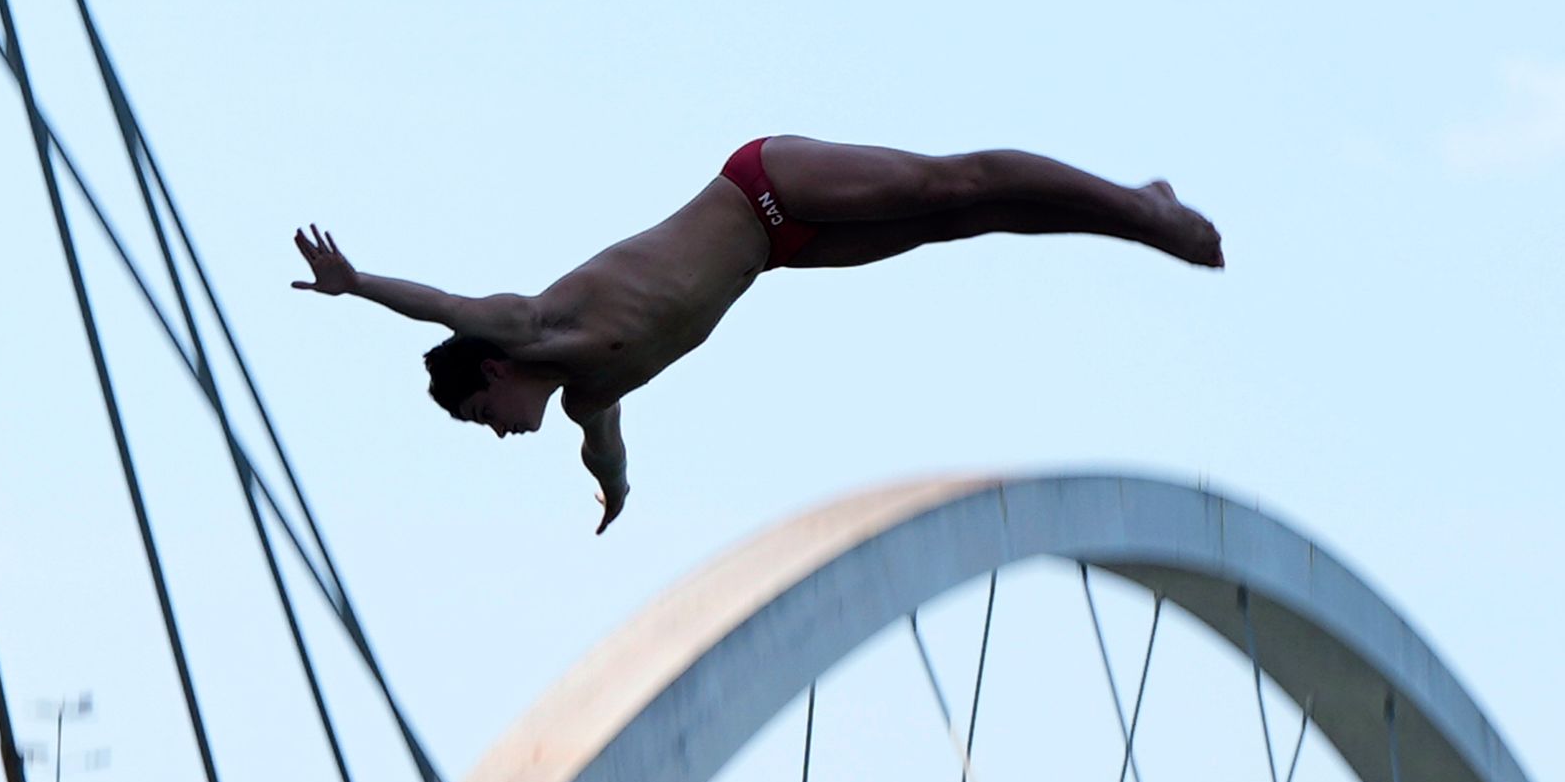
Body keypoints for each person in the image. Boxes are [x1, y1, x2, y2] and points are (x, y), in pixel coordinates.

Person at [292, 137, 1222, 531]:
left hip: (768, 187)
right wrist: (615, 494)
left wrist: (358, 284)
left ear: (492, 369)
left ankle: (1139, 206)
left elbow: (446, 307)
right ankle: (1135, 218)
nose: (491, 428)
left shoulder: (533, 325)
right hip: (782, 250)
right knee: (959, 224)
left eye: (478, 410)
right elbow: (604, 453)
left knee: (953, 185)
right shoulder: (588, 394)